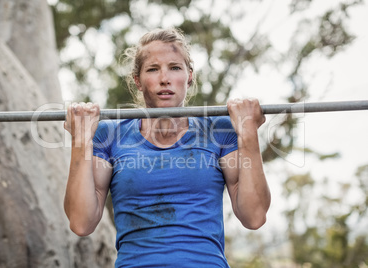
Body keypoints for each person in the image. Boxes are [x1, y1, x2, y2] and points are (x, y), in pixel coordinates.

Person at [64, 27, 270, 267]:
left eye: (175, 67)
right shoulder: (110, 135)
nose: (164, 78)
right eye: (153, 69)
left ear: (189, 75)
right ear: (138, 81)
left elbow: (254, 217)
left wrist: (249, 133)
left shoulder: (219, 132)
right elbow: (81, 223)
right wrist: (80, 141)